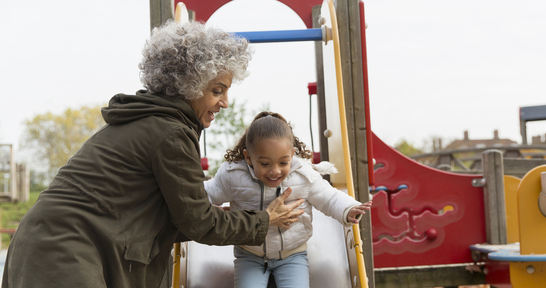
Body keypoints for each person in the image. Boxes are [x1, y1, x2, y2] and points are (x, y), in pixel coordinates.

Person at [2, 20, 304, 288]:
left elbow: (160, 216)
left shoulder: (147, 121)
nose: (225, 102)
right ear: (189, 85)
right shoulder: (171, 133)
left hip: (43, 242)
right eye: (217, 90)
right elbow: (199, 223)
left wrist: (227, 215)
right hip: (65, 253)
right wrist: (264, 219)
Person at [205, 111, 373, 288]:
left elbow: (329, 198)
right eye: (264, 164)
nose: (275, 171)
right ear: (248, 157)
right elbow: (206, 193)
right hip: (250, 254)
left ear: (292, 155)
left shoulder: (303, 175)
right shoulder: (234, 176)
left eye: (283, 162)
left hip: (292, 255)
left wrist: (348, 208)